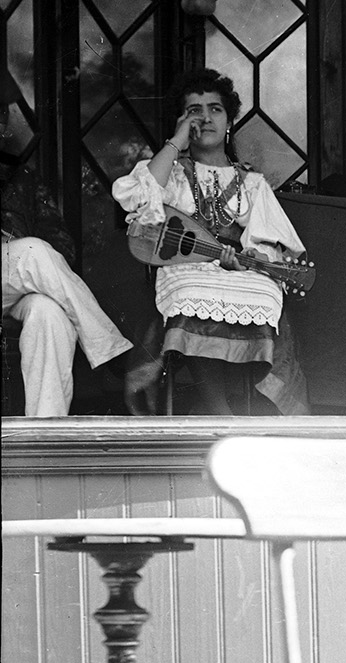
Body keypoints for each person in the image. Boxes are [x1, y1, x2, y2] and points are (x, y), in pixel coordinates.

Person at [112, 68, 307, 415]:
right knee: (191, 289)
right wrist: (177, 141)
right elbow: (138, 202)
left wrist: (245, 257)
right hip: (183, 268)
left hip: (236, 270)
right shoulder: (170, 173)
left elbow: (272, 244)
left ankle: (246, 406)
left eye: (215, 109)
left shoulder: (252, 183)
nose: (206, 117)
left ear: (230, 120)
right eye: (194, 111)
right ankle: (218, 407)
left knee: (261, 292)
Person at [3, 155, 133, 417]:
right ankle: (110, 351)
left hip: (16, 285)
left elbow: (62, 244)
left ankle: (45, 429)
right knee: (31, 251)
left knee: (48, 312)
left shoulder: (19, 176)